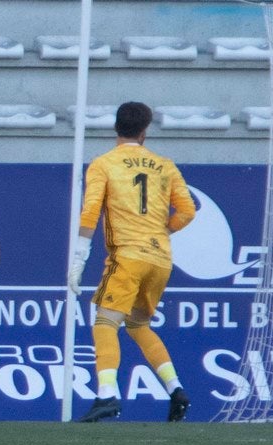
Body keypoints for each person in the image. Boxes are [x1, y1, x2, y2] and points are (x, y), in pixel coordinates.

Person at [68, 101, 196, 423]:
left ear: (116, 128)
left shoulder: (104, 163)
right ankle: (176, 389)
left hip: (128, 255)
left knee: (105, 322)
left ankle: (107, 394)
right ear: (144, 131)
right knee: (138, 325)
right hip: (161, 258)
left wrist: (79, 257)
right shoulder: (165, 165)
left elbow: (91, 211)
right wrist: (163, 229)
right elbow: (188, 210)